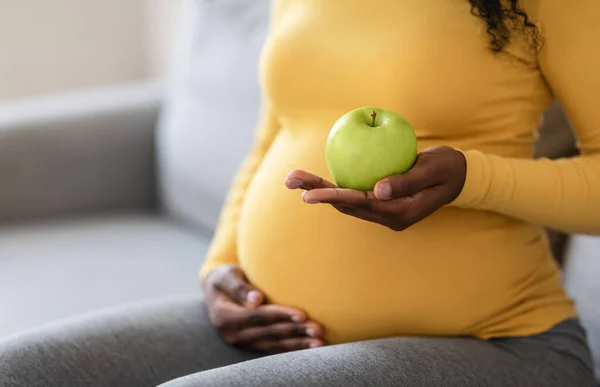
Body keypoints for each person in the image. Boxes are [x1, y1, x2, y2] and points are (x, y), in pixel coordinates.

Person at [1, 1, 598, 386]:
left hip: (502, 346)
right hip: (279, 329)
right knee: (21, 371)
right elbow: (274, 135)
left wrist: (471, 177)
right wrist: (221, 268)